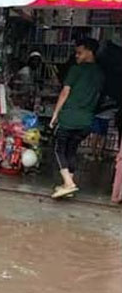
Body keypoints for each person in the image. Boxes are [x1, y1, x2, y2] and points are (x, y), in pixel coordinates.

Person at [50, 38, 105, 199]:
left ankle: (69, 183)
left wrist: (55, 114)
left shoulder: (76, 70)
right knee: (72, 150)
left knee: (59, 149)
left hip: (69, 117)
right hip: (87, 121)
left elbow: (65, 92)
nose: (76, 56)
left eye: (79, 52)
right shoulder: (100, 74)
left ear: (90, 52)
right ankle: (68, 186)